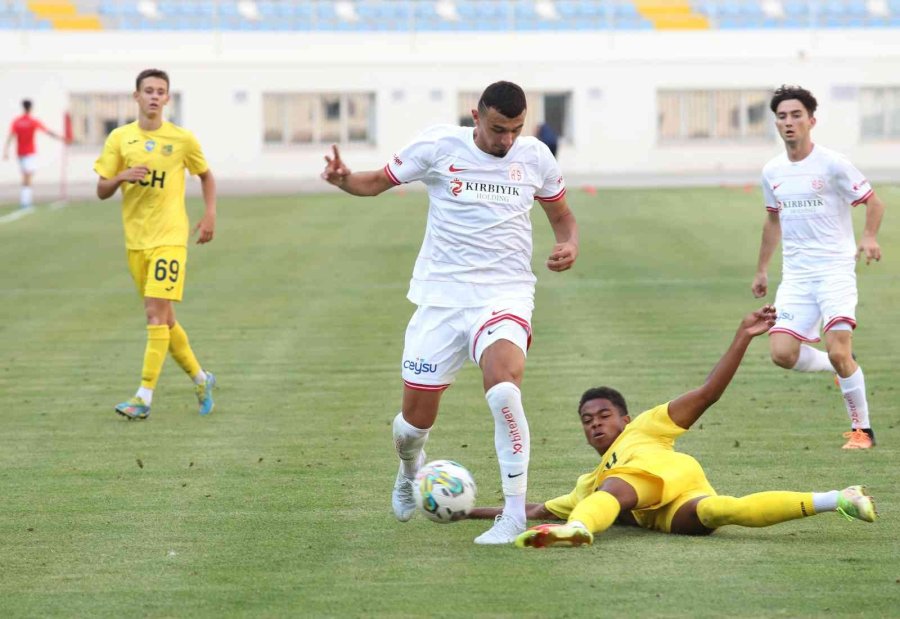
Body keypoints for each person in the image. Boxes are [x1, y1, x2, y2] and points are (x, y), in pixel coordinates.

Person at [320, 81, 578, 544]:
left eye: (515, 130)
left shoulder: (536, 156)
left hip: (505, 295)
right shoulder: (439, 145)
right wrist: (344, 180)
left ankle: (514, 514)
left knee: (504, 387)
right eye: (498, 129)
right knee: (413, 425)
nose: (506, 141)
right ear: (475, 116)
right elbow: (375, 182)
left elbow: (563, 217)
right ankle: (408, 471)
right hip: (441, 300)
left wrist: (568, 245)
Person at [468, 305, 878, 549]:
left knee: (612, 488)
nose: (595, 424)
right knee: (723, 510)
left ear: (624, 418)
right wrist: (465, 512)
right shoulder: (588, 483)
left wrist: (742, 335)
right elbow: (534, 509)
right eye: (587, 420)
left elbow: (708, 392)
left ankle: (579, 529)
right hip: (668, 508)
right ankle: (840, 498)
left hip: (667, 474)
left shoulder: (645, 428)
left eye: (603, 415)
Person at [752, 85, 886, 450]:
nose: (789, 122)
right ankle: (837, 366)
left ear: (811, 120)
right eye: (782, 116)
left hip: (834, 271)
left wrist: (869, 237)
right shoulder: (773, 171)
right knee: (782, 353)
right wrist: (762, 270)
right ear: (776, 123)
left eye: (796, 115)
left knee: (840, 349)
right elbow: (772, 222)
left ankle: (863, 431)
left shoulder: (832, 164)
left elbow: (874, 202)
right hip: (796, 276)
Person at [94, 68, 217, 420]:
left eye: (160, 91)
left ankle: (143, 396)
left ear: (167, 98)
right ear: (136, 96)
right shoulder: (120, 139)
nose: (153, 96)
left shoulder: (182, 139)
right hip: (136, 241)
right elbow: (101, 190)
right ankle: (201, 377)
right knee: (165, 319)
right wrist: (120, 177)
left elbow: (206, 175)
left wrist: (209, 215)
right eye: (147, 90)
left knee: (153, 314)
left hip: (170, 240)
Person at [3, 99, 64, 209]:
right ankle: (26, 202)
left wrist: (5, 151)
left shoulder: (17, 121)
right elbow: (47, 132)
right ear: (31, 108)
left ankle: (25, 201)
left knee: (25, 176)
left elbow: (10, 136)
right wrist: (61, 138)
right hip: (29, 152)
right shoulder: (32, 121)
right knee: (28, 177)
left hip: (20, 153)